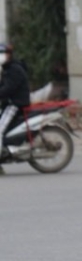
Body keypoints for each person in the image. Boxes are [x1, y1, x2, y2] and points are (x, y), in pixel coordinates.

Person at [0, 43, 31, 174]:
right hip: (9, 103)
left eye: (2, 54)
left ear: (9, 55)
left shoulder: (14, 69)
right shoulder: (7, 68)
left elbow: (8, 89)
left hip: (15, 104)